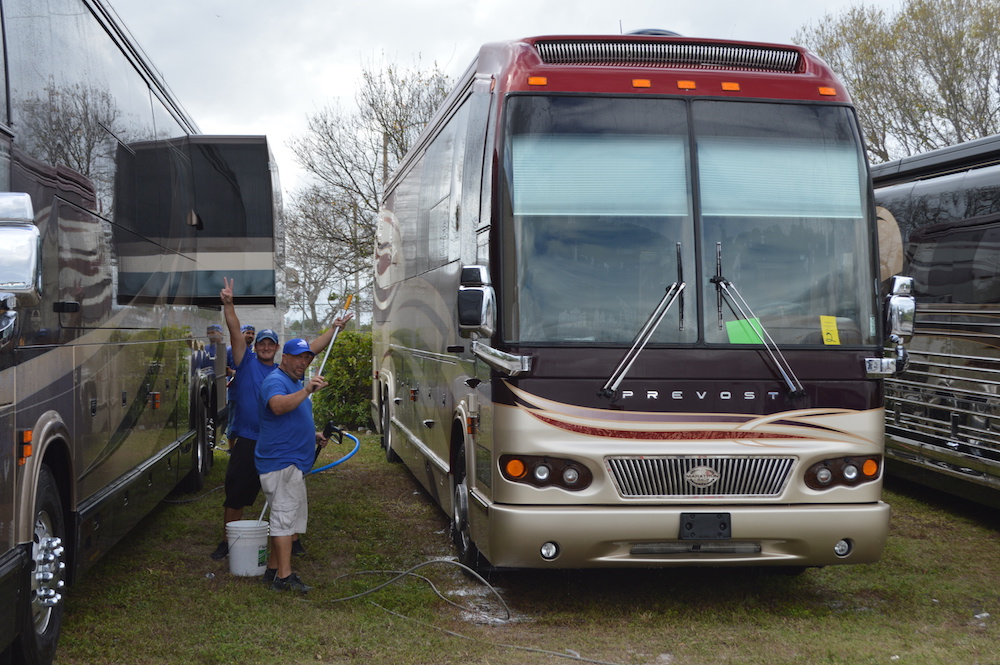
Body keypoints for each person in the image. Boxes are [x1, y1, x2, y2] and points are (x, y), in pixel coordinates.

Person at [210, 277, 352, 560]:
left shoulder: (286, 373)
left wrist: (334, 329)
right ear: (255, 346)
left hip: (278, 443)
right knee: (238, 493)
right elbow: (235, 331)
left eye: (270, 344)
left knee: (286, 496)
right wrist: (228, 304)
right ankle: (229, 540)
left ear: (278, 350)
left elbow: (311, 349)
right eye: (260, 343)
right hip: (249, 439)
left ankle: (291, 540)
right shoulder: (246, 362)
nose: (264, 347)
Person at [255, 338, 328, 592]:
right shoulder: (275, 381)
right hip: (281, 463)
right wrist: (307, 390)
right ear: (284, 357)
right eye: (298, 357)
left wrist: (312, 435)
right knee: (283, 520)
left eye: (307, 358)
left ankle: (273, 570)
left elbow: (292, 416)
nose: (303, 362)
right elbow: (277, 407)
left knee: (286, 518)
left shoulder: (292, 382)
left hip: (291, 462)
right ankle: (284, 579)